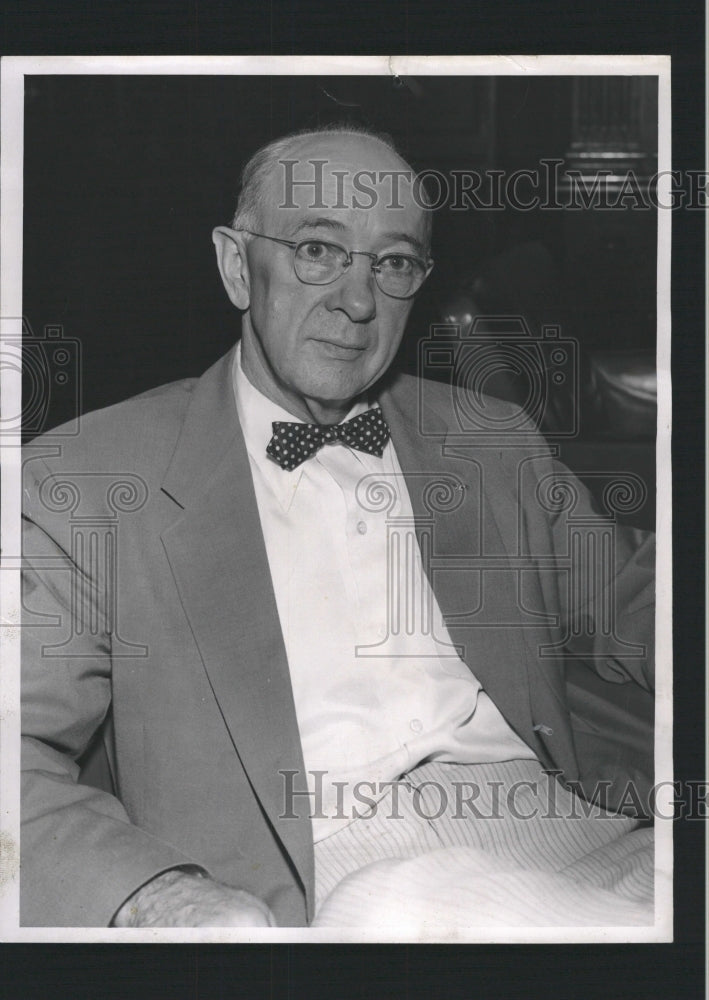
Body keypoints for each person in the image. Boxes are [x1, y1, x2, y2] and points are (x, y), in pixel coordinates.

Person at [21, 125, 655, 929]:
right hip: (321, 879)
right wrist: (159, 896)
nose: (357, 302)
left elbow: (646, 604)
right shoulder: (87, 479)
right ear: (234, 265)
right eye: (317, 250)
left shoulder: (487, 441)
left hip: (582, 842)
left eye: (391, 263)